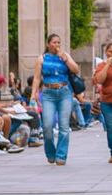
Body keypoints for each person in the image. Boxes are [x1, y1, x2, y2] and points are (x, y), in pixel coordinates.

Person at [32, 34, 82, 166]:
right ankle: (50, 152)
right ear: (48, 44)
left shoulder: (65, 56)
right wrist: (34, 93)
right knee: (47, 125)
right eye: (54, 42)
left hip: (64, 92)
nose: (57, 45)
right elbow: (37, 78)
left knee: (64, 126)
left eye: (59, 42)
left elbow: (76, 70)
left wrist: (65, 58)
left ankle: (61, 156)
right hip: (48, 93)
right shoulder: (41, 59)